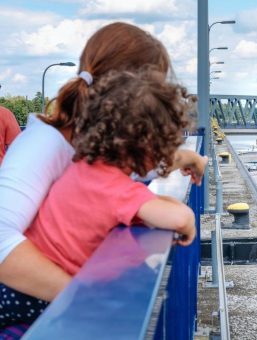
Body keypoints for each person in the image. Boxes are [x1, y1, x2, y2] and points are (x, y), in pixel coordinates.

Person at [0, 22, 206, 305]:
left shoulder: (88, 148)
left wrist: (189, 158)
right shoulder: (45, 144)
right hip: (23, 301)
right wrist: (82, 298)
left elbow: (135, 170)